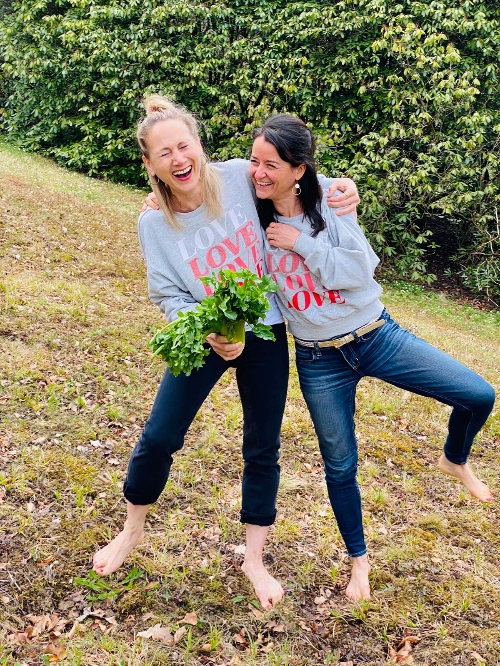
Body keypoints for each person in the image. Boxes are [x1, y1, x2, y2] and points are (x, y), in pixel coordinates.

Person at [92, 95, 360, 610]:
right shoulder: (153, 223)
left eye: (183, 145)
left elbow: (301, 184)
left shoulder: (240, 176)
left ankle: (254, 558)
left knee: (263, 446)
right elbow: (167, 294)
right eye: (162, 153)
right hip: (204, 332)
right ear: (149, 165)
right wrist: (204, 329)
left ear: (199, 146)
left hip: (265, 331)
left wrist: (346, 188)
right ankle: (131, 530)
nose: (176, 158)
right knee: (159, 435)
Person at [247, 113, 496, 600]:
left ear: (299, 170)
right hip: (319, 361)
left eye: (271, 164)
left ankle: (455, 458)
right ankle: (358, 561)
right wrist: (161, 194)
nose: (258, 172)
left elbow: (359, 273)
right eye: (255, 161)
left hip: (375, 335)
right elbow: (203, 176)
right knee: (340, 465)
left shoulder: (331, 207)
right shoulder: (250, 214)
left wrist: (302, 244)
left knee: (479, 395)